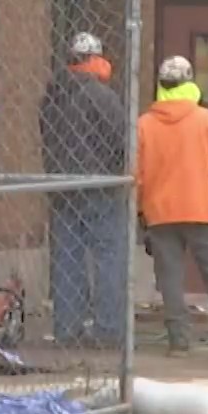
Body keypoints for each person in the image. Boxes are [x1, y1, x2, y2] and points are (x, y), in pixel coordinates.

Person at [136, 56, 208, 359]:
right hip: (201, 210)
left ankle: (179, 342)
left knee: (170, 277)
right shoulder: (206, 121)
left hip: (160, 212)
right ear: (190, 84)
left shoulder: (144, 125)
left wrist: (141, 210)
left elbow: (136, 174)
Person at [39, 32, 128, 347]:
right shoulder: (103, 96)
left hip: (62, 187)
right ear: (96, 59)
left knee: (66, 257)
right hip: (100, 186)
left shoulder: (52, 95)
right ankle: (108, 329)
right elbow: (122, 141)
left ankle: (67, 329)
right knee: (108, 257)